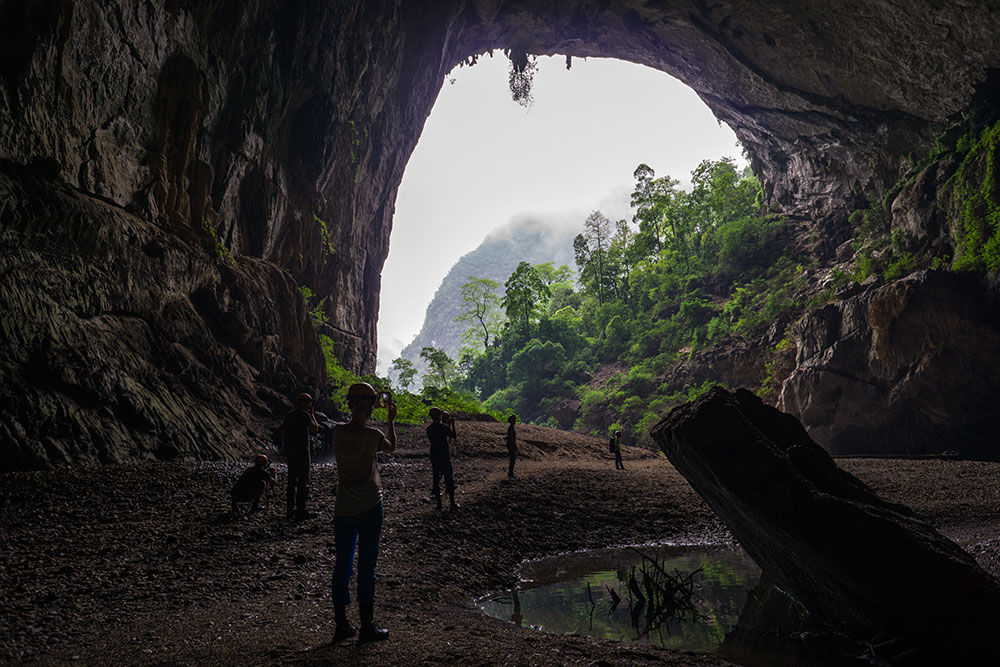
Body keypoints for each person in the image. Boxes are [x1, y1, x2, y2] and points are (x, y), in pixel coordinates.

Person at [331, 382, 396, 645]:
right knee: (367, 565)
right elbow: (391, 447)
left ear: (349, 404)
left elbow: (354, 424)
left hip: (343, 508)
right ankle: (367, 626)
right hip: (370, 505)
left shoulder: (336, 432)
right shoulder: (374, 435)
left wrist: (370, 404)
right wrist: (390, 420)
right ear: (371, 406)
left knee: (342, 565)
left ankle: (341, 625)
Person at [281, 392, 319, 521]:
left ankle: (289, 512)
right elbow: (315, 428)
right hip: (302, 452)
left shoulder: (290, 415)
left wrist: (286, 448)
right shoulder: (305, 415)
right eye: (309, 402)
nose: (310, 405)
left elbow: (283, 432)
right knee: (303, 481)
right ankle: (300, 511)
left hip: (291, 452)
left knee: (291, 482)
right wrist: (313, 415)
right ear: (304, 403)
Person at [426, 407, 458, 510]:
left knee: (436, 478)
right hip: (444, 455)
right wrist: (452, 424)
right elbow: (453, 435)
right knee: (449, 478)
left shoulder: (429, 429)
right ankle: (452, 503)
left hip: (434, 455)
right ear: (440, 415)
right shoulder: (443, 428)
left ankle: (439, 505)